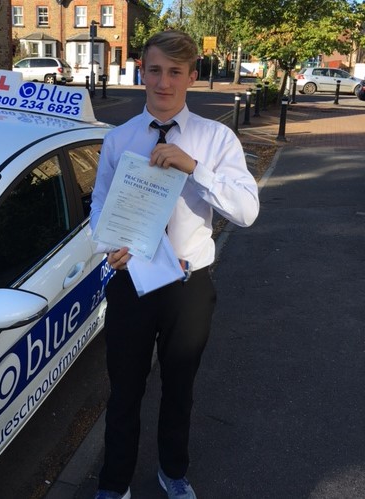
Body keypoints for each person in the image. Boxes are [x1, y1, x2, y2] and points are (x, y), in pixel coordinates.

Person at [90, 30, 260, 499]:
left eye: (175, 72)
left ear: (191, 76)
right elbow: (99, 208)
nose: (163, 83)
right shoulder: (119, 140)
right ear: (141, 71)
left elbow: (247, 212)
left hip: (189, 286)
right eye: (156, 70)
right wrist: (108, 246)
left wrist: (194, 167)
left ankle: (173, 471)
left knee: (179, 387)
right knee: (124, 389)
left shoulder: (215, 138)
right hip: (132, 281)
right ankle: (115, 482)